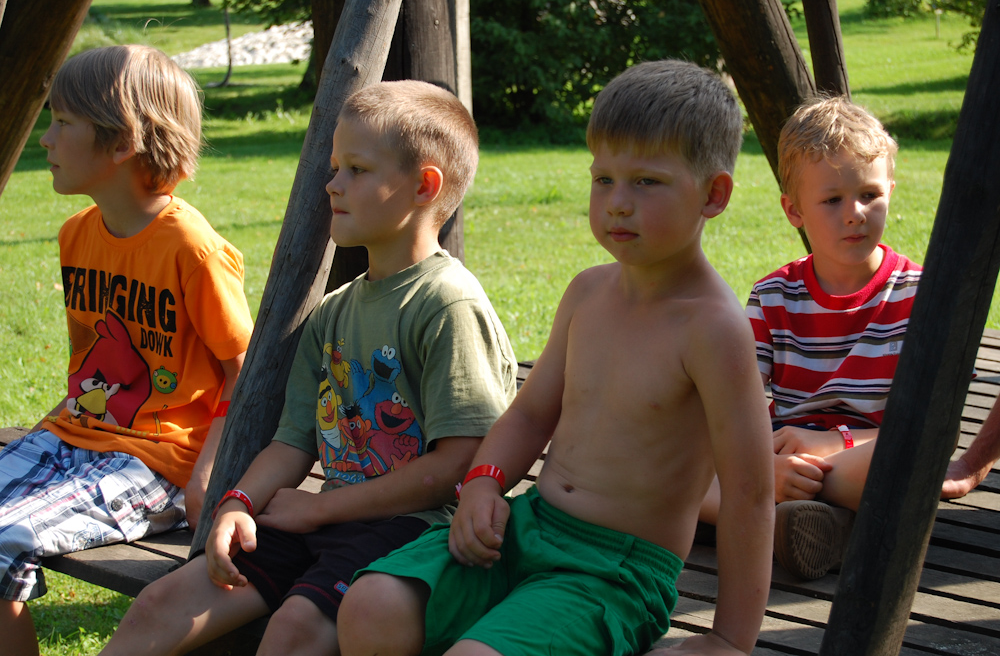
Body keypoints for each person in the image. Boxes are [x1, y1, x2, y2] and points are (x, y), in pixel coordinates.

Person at [338, 59, 774, 656]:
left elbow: (750, 493)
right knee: (370, 606)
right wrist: (483, 485)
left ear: (713, 195)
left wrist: (730, 638)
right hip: (526, 528)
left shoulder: (713, 329)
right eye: (604, 179)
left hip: (612, 573)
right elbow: (528, 415)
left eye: (647, 182)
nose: (617, 203)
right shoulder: (588, 293)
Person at [99, 79, 517, 656]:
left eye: (356, 170)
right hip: (325, 516)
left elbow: (457, 466)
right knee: (161, 604)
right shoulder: (335, 310)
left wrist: (321, 508)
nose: (332, 184)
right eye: (334, 167)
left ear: (424, 186)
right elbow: (293, 441)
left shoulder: (446, 303)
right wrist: (238, 504)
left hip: (414, 532)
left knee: (294, 628)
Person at [1, 45, 254, 656]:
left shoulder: (192, 249)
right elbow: (92, 356)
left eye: (63, 122)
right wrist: (48, 430)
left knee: (3, 540)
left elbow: (244, 370)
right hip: (75, 439)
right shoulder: (77, 235)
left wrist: (208, 471)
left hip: (155, 464)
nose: (46, 139)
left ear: (121, 144)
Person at [698, 96, 923, 581]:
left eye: (869, 194)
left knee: (908, 462)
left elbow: (928, 425)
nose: (855, 213)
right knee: (678, 459)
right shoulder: (774, 296)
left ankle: (768, 511)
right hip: (781, 454)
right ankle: (805, 517)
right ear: (794, 210)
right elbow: (734, 406)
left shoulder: (919, 296)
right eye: (832, 200)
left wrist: (831, 442)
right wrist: (765, 465)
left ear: (890, 191)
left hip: (865, 452)